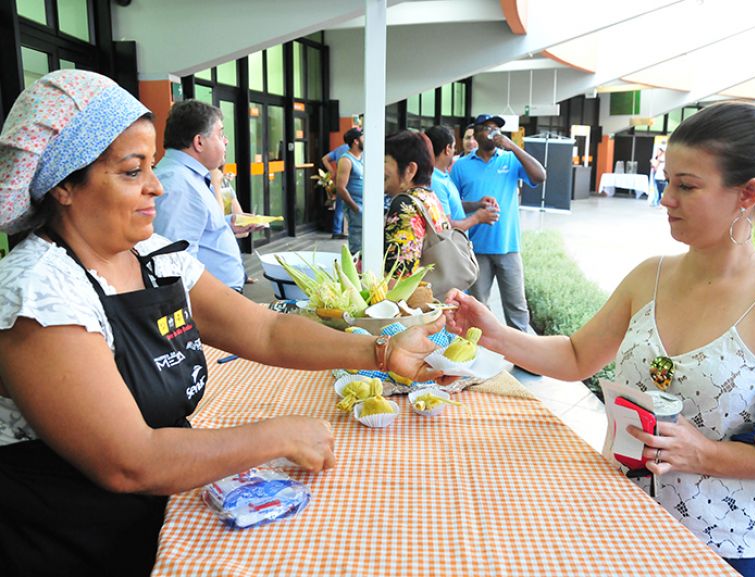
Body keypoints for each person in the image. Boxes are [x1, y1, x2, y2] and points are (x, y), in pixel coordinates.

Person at [0, 70, 449, 577]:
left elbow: (264, 330)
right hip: (73, 536)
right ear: (63, 186)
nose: (156, 187)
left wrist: (381, 351)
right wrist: (275, 436)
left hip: (157, 506)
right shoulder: (37, 291)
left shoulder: (151, 256)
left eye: (151, 165)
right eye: (131, 171)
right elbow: (129, 460)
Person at [445, 101, 755, 577]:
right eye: (668, 181)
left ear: (747, 194)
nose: (665, 198)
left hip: (723, 548)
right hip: (619, 521)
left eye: (687, 186)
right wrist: (494, 333)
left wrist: (702, 453)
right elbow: (577, 355)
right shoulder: (650, 276)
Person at [450, 113, 546, 333]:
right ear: (475, 132)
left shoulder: (510, 159)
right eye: (488, 128)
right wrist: (476, 205)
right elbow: (453, 207)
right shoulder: (461, 166)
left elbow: (540, 176)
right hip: (476, 248)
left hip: (508, 246)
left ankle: (523, 355)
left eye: (497, 129)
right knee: (478, 307)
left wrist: (514, 147)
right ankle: (483, 354)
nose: (494, 133)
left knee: (516, 306)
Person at [153, 100, 258, 292]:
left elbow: (196, 228)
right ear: (199, 142)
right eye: (220, 134)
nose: (226, 140)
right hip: (211, 306)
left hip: (223, 300)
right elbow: (176, 264)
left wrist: (228, 223)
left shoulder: (190, 176)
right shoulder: (177, 184)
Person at [383, 130, 450, 277]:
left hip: (409, 298)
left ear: (410, 170)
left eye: (385, 161)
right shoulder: (428, 197)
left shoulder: (405, 205)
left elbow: (399, 275)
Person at [425, 125, 499, 232]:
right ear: (447, 149)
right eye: (454, 147)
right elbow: (445, 225)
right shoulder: (435, 182)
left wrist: (478, 204)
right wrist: (477, 218)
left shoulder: (443, 175)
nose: (455, 151)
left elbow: (452, 207)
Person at [336, 127, 364, 255]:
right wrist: (355, 208)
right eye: (363, 137)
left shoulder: (363, 158)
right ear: (356, 141)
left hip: (366, 206)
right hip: (357, 207)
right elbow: (340, 188)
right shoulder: (346, 160)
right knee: (357, 244)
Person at [321, 142, 350, 239]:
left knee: (340, 206)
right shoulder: (355, 150)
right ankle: (346, 231)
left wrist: (332, 171)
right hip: (352, 179)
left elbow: (325, 159)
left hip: (340, 178)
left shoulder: (340, 148)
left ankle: (336, 231)